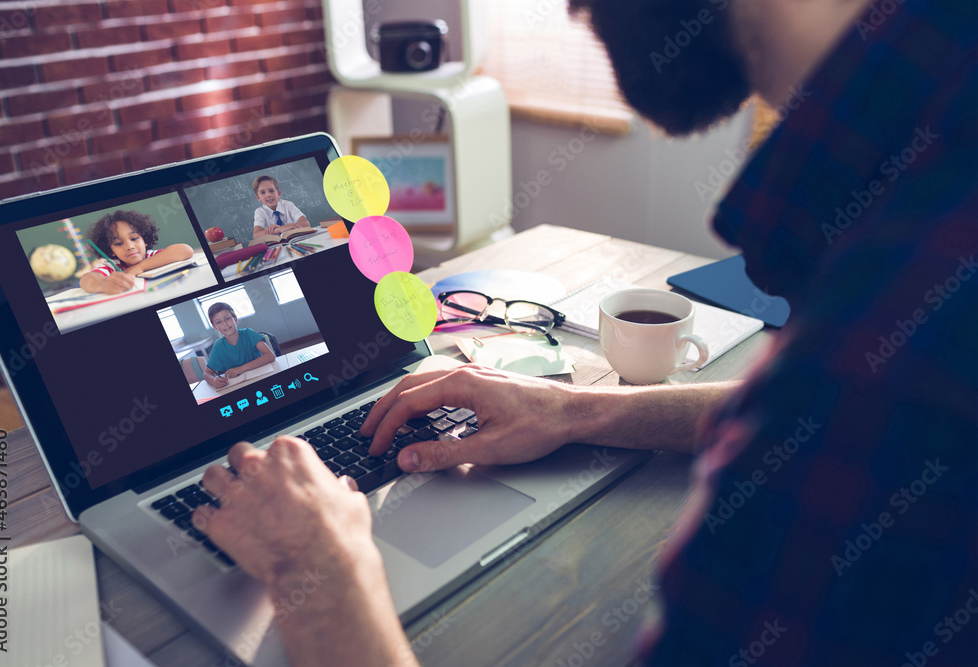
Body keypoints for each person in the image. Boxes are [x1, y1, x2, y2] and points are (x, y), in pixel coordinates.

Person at [193, 0, 977, 665]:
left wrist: (318, 575)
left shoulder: (887, 344)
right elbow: (813, 425)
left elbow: (843, 411)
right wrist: (581, 411)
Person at [79, 210, 194, 294]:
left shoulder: (152, 257)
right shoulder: (113, 266)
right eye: (118, 243)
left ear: (145, 240)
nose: (130, 246)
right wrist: (104, 284)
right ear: (110, 250)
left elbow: (185, 250)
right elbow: (85, 280)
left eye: (134, 239)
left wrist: (140, 267)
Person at [203, 302, 275, 389]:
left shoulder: (248, 333)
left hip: (263, 377)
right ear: (215, 327)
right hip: (240, 386)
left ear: (235, 319)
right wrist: (213, 380)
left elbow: (270, 356)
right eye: (218, 322)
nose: (225, 324)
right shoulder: (218, 346)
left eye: (227, 318)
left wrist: (241, 368)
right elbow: (207, 373)